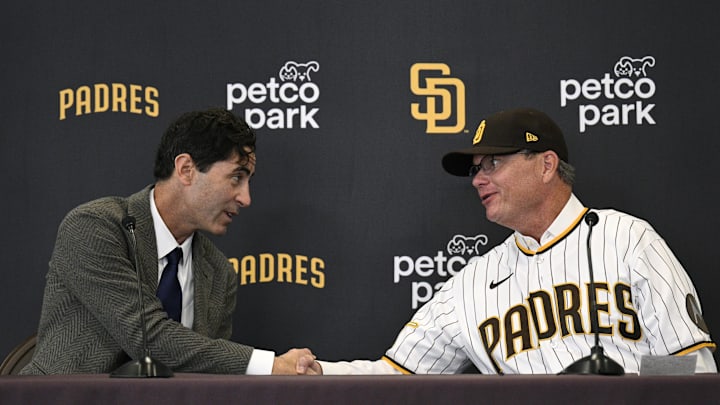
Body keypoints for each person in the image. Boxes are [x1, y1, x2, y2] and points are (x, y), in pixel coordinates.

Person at [311, 107, 717, 375]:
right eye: (475, 169)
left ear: (546, 165)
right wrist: (304, 370)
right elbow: (394, 376)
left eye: (494, 162)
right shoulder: (469, 285)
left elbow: (691, 367)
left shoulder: (629, 240)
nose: (478, 179)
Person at [21, 108, 316, 375]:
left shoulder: (219, 272)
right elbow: (147, 337)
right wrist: (271, 365)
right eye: (236, 177)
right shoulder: (94, 227)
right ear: (186, 169)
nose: (246, 198)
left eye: (249, 181)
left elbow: (209, 369)